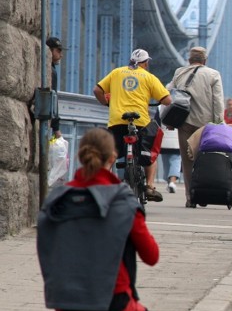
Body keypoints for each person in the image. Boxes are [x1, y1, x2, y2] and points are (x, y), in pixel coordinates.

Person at [37, 128, 165, 311]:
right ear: (112, 158)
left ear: (80, 156)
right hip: (113, 300)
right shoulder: (122, 201)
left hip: (65, 301)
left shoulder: (57, 200)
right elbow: (152, 256)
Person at [93, 48, 171, 202]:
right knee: (150, 153)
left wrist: (106, 102)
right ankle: (149, 186)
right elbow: (167, 100)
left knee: (111, 154)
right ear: (146, 63)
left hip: (117, 120)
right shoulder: (149, 77)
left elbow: (97, 90)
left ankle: (100, 185)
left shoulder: (116, 73)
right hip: (141, 122)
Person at [165, 46, 224, 208]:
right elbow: (217, 102)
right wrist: (219, 123)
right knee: (203, 159)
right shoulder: (213, 74)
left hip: (184, 123)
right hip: (205, 125)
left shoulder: (179, 73)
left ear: (189, 60)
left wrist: (168, 118)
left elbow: (167, 92)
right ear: (205, 60)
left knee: (187, 160)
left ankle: (190, 197)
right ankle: (202, 193)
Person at [156, 107, 181, 193]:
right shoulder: (180, 106)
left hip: (164, 139)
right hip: (177, 139)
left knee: (165, 161)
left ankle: (168, 181)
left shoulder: (160, 108)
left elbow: (156, 123)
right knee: (176, 161)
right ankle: (172, 182)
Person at [46, 37, 64, 138]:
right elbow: (53, 98)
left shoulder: (46, 67)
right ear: (50, 51)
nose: (61, 55)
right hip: (45, 119)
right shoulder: (51, 71)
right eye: (58, 50)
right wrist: (56, 128)